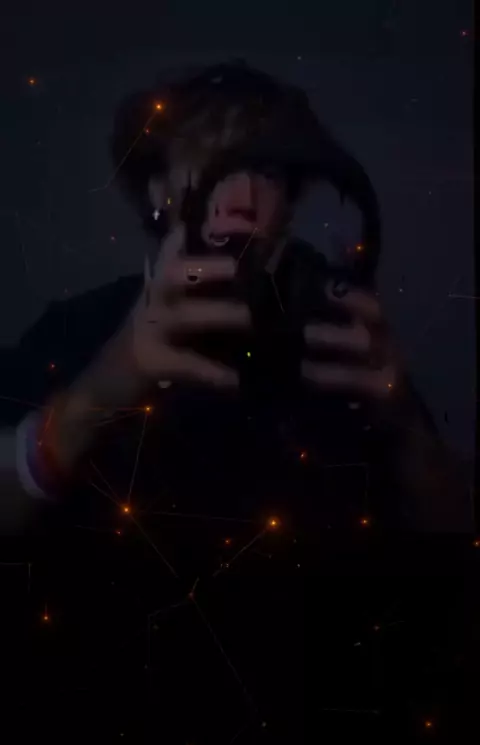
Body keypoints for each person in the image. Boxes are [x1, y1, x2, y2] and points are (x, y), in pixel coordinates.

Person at [0, 59, 472, 540]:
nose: (241, 197)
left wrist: (404, 427)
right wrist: (94, 398)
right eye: (213, 159)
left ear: (288, 205)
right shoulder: (73, 329)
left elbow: (456, 538)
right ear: (158, 189)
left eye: (265, 170)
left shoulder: (342, 342)